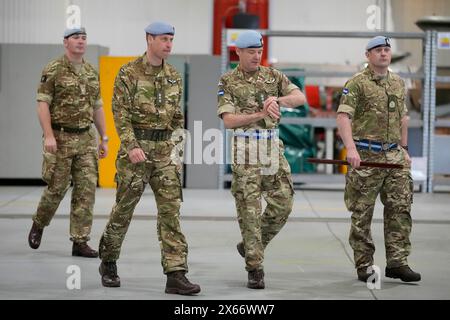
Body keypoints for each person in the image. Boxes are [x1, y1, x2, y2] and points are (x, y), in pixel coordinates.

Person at [98, 21, 200, 296]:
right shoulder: (128, 73)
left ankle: (176, 273)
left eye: (171, 39)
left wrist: (177, 147)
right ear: (149, 39)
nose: (168, 44)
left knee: (170, 212)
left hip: (164, 152)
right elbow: (119, 113)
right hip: (136, 153)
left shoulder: (174, 77)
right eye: (164, 39)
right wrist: (131, 145)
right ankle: (108, 261)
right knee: (123, 210)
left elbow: (177, 116)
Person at [217, 30, 306, 289]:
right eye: (251, 52)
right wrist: (260, 112)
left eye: (259, 51)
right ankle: (255, 267)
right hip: (245, 148)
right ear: (239, 53)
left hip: (272, 147)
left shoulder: (273, 76)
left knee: (284, 202)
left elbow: (300, 98)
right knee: (250, 210)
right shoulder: (228, 81)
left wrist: (278, 99)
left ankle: (249, 246)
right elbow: (229, 120)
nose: (257, 56)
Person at [336, 36, 421, 283]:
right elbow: (343, 117)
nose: (383, 53)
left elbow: (403, 118)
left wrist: (404, 148)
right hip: (365, 155)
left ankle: (398, 262)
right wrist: (350, 149)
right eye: (378, 50)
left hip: (394, 155)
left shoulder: (397, 82)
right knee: (362, 213)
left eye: (386, 49)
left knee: (400, 209)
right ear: (368, 55)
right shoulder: (357, 84)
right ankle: (365, 265)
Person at [28, 27, 108, 257]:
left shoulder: (91, 72)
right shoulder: (53, 69)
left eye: (84, 38)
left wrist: (104, 138)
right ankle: (39, 224)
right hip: (60, 137)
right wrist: (49, 135)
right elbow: (42, 103)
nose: (81, 41)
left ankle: (80, 241)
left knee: (86, 190)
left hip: (85, 138)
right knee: (56, 188)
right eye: (76, 38)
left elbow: (97, 107)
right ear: (65, 42)